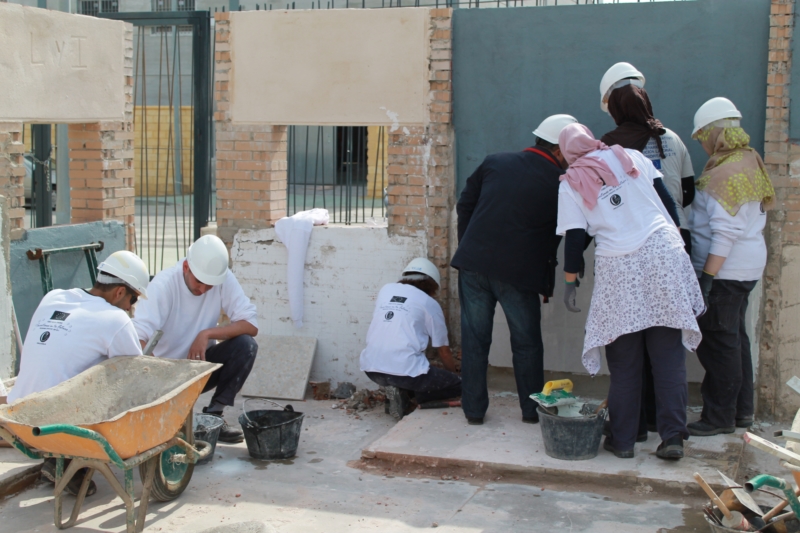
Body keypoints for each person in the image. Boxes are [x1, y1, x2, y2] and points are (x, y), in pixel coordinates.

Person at [556, 123, 704, 460]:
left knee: (624, 360)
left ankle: (623, 440)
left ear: (566, 152)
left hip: (620, 265)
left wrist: (569, 283)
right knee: (667, 356)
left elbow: (576, 240)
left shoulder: (571, 184)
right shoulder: (629, 156)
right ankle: (673, 438)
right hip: (663, 251)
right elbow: (667, 203)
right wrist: (675, 244)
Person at [451, 114, 577, 426]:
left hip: (473, 266)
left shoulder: (495, 162)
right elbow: (564, 234)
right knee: (526, 343)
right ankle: (531, 411)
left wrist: (471, 245)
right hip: (518, 275)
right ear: (560, 151)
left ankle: (474, 411)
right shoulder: (561, 184)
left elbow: (464, 205)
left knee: (475, 340)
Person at [598, 62, 696, 440]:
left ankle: (630, 430)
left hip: (625, 252)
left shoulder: (609, 147)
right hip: (674, 245)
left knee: (628, 346)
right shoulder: (672, 138)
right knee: (666, 347)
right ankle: (670, 432)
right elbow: (687, 192)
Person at [8, 250, 150, 496]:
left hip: (19, 414)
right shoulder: (116, 318)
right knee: (119, 383)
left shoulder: (54, 296)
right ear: (119, 292)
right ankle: (73, 464)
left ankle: (58, 460)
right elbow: (136, 376)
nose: (131, 307)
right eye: (133, 300)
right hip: (58, 424)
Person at [687, 97, 774, 437]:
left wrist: (707, 278)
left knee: (720, 344)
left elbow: (725, 233)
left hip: (725, 273)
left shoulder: (726, 173)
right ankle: (742, 412)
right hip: (746, 269)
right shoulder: (748, 160)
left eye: (704, 137)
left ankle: (719, 418)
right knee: (735, 338)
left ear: (715, 133)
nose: (704, 144)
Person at [133, 235, 258, 444]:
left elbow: (251, 325)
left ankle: (213, 418)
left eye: (209, 286)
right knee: (170, 433)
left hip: (200, 367)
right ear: (185, 267)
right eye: (199, 282)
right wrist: (157, 375)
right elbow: (139, 338)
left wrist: (206, 334)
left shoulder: (222, 278)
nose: (203, 290)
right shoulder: (163, 286)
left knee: (246, 346)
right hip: (166, 374)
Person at [359, 258, 460, 420]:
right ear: (432, 284)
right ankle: (409, 398)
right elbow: (444, 351)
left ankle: (397, 394)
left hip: (372, 370)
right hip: (406, 375)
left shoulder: (386, 290)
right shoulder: (430, 303)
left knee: (412, 373)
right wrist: (453, 375)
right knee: (458, 386)